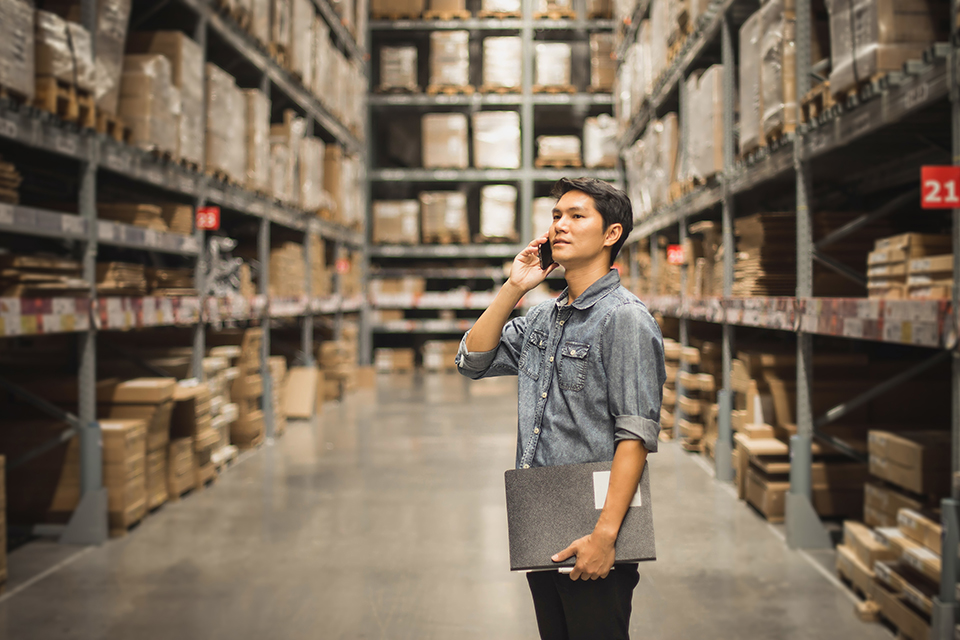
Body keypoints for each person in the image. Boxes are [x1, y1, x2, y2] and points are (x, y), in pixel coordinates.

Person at [455, 177, 666, 640]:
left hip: (593, 528)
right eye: (555, 216)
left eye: (576, 216)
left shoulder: (625, 319)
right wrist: (515, 286)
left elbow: (634, 437)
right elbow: (472, 360)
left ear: (611, 234)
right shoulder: (541, 318)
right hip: (543, 516)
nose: (560, 227)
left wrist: (604, 537)